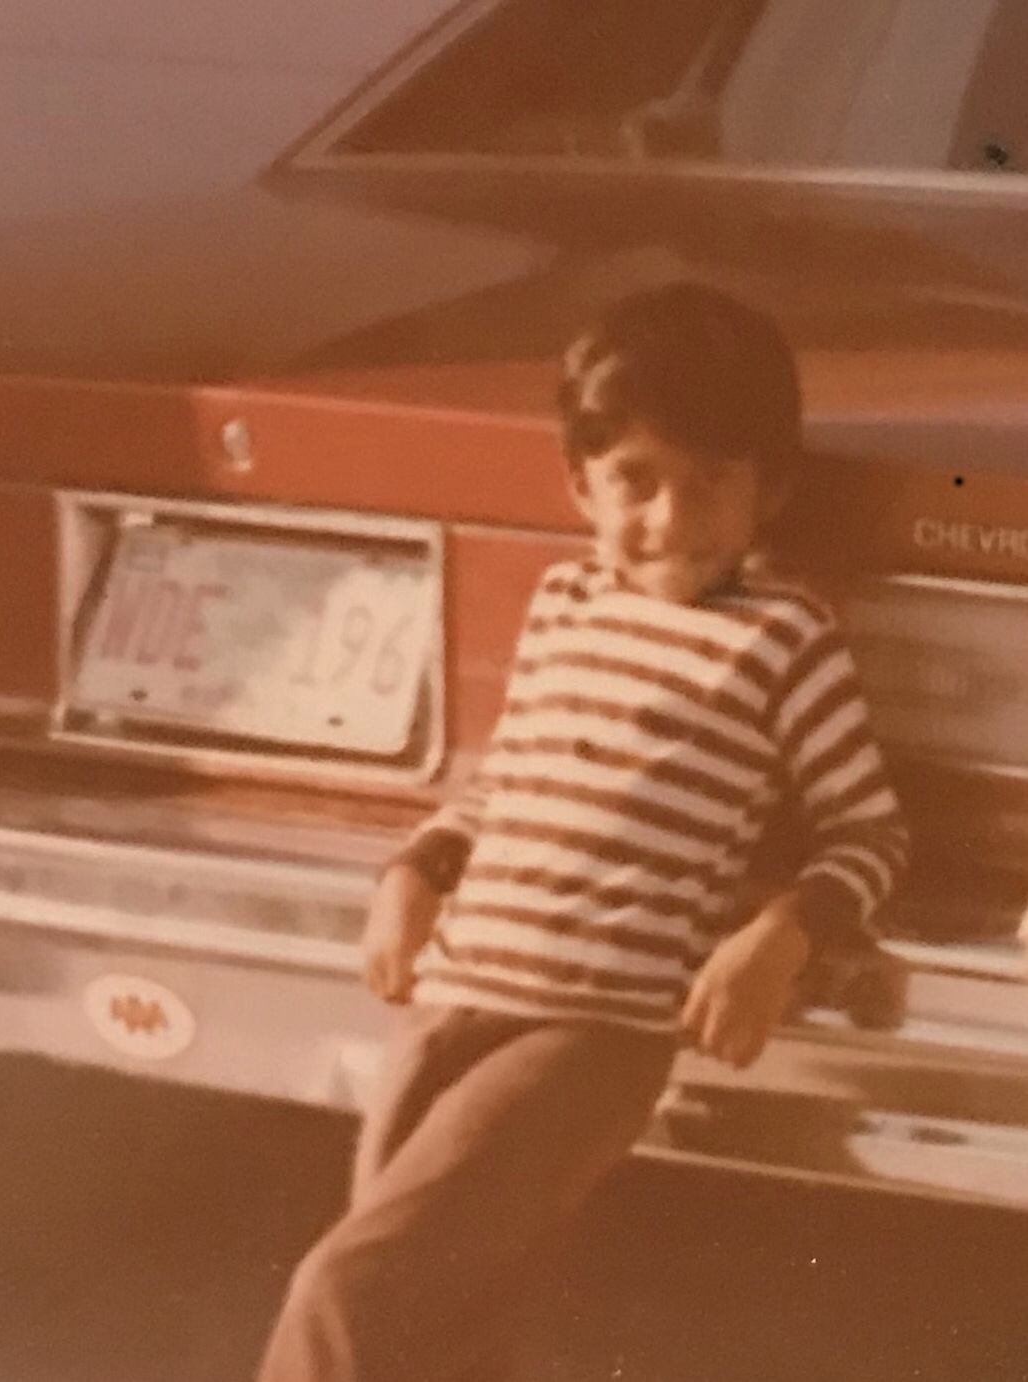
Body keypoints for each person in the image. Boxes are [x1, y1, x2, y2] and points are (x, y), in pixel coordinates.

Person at [255, 282, 910, 1382]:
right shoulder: (562, 605)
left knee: (351, 1290)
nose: (668, 516)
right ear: (577, 483)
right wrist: (414, 868)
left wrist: (778, 933)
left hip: (589, 1030)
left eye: (708, 483)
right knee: (445, 1315)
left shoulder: (782, 640)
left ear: (770, 492)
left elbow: (868, 832)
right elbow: (499, 787)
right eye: (633, 481)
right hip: (458, 994)